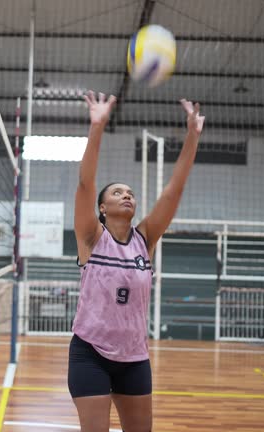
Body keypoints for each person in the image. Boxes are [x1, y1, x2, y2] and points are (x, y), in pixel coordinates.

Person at [69, 90, 204, 431]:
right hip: (90, 355)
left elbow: (174, 190)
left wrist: (192, 136)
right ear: (103, 207)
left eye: (130, 192)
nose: (127, 195)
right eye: (117, 192)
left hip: (134, 358)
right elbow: (86, 184)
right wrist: (97, 127)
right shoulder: (91, 237)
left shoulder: (146, 239)